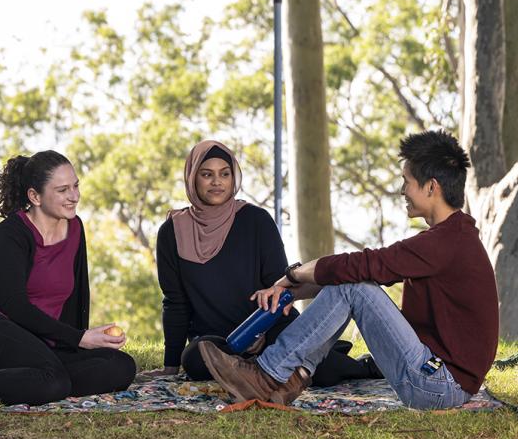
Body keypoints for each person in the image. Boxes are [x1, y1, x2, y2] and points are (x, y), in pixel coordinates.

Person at [199, 130, 499, 409]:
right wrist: (288, 289)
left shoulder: (445, 242)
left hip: (439, 385)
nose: (402, 190)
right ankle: (287, 378)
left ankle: (267, 376)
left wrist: (291, 275)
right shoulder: (451, 238)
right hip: (439, 378)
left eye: (406, 181)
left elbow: (359, 268)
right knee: (352, 282)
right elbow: (358, 271)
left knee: (354, 284)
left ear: (431, 186)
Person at [0, 151, 136, 406]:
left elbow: (77, 297)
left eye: (76, 186)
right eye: (63, 190)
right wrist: (79, 337)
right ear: (35, 196)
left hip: (41, 338)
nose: (74, 196)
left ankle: (15, 380)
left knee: (120, 366)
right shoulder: (8, 236)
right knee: (53, 381)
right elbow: (15, 306)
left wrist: (76, 341)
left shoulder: (75, 227)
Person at [153, 139, 376, 385]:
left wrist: (260, 332)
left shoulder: (256, 220)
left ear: (233, 178)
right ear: (193, 178)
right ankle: (254, 368)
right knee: (196, 360)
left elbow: (278, 286)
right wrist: (170, 366)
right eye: (207, 174)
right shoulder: (171, 232)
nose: (217, 182)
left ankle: (363, 366)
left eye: (224, 174)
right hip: (218, 344)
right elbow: (175, 303)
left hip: (270, 328)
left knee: (318, 373)